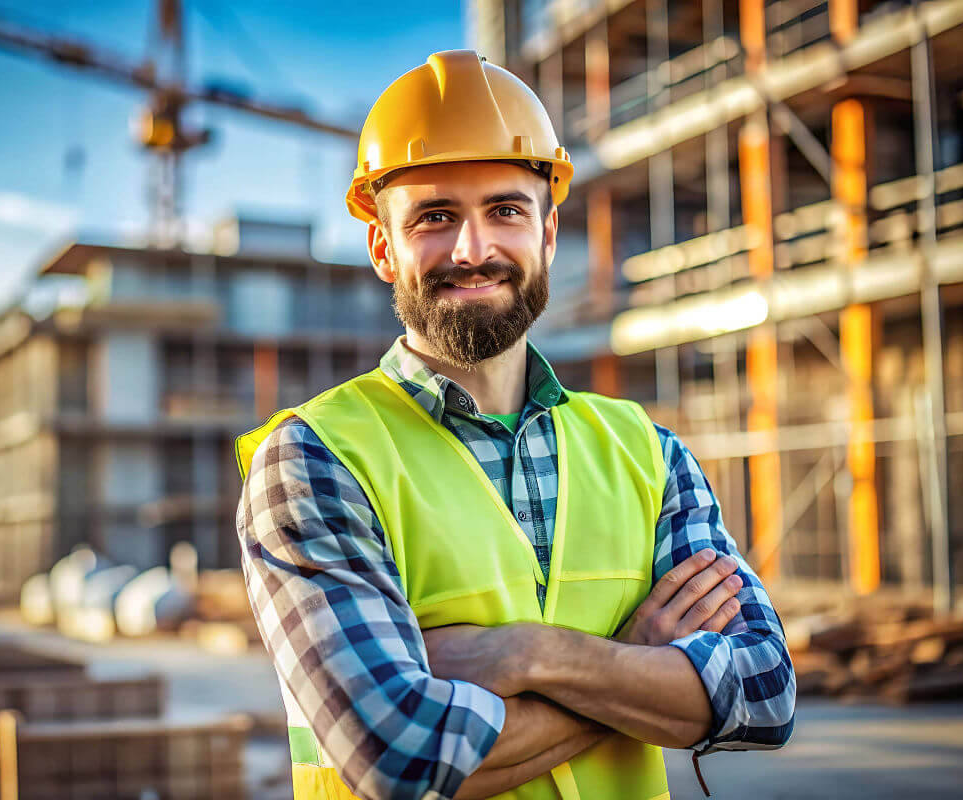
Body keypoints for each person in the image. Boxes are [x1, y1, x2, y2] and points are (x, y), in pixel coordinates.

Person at [235, 50, 794, 800]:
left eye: (506, 210)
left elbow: (764, 690)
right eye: (435, 218)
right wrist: (635, 665)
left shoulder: (647, 453)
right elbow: (398, 753)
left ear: (548, 234)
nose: (474, 250)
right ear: (382, 248)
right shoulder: (313, 459)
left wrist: (534, 654)